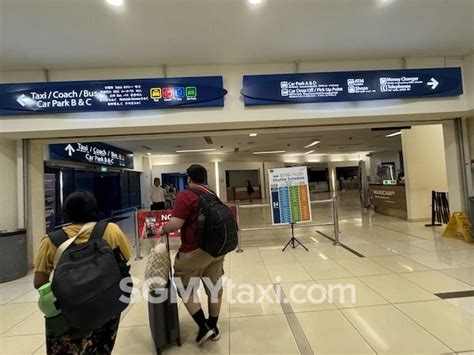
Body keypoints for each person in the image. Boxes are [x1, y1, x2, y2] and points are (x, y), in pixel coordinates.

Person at [33, 191, 132, 354]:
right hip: (106, 304)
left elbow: (39, 282)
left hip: (70, 312)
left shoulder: (50, 240)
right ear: (95, 210)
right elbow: (125, 257)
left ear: (66, 213)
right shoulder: (110, 230)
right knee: (102, 348)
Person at [158, 164, 224, 345]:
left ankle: (204, 327)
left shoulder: (185, 195)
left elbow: (176, 224)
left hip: (195, 250)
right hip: (217, 250)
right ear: (204, 178)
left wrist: (163, 228)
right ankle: (213, 326)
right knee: (214, 287)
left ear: (188, 178)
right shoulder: (212, 194)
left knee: (184, 285)